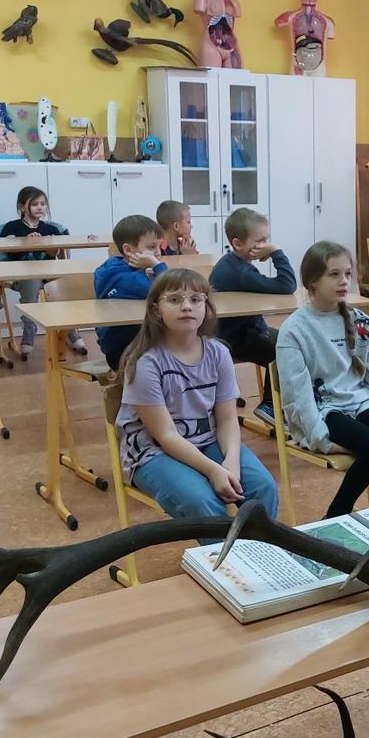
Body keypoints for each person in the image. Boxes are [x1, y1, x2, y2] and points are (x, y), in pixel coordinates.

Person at [114, 268, 278, 542]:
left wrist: (231, 461)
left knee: (263, 488)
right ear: (156, 310)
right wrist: (213, 470)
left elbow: (227, 419)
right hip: (153, 452)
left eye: (195, 299)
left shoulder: (218, 352)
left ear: (206, 307)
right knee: (203, 503)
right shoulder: (145, 362)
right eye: (174, 300)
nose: (187, 306)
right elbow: (166, 435)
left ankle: (258, 557)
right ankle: (221, 564)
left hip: (206, 439)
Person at [277, 241, 369, 521]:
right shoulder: (294, 329)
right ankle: (334, 517)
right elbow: (297, 395)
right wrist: (319, 438)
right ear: (312, 281)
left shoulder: (360, 321)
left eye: (347, 274)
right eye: (334, 274)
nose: (344, 281)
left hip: (360, 402)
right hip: (325, 410)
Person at [209, 207, 296, 425]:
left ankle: (284, 403)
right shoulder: (241, 272)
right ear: (238, 244)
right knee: (285, 351)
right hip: (233, 339)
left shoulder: (233, 263)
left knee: (294, 341)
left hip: (245, 331)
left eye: (268, 240)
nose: (266, 245)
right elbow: (287, 285)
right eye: (260, 241)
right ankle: (270, 405)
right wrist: (276, 252)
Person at [0, 186, 87, 356]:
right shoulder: (12, 227)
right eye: (34, 204)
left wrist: (48, 246)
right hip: (22, 274)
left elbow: (55, 255)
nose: (40, 207)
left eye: (43, 204)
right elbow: (6, 250)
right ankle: (29, 329)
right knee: (32, 282)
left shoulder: (51, 229)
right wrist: (26, 243)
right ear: (22, 207)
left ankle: (69, 329)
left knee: (66, 282)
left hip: (48, 272)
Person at [95, 214, 169, 372]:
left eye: (159, 246)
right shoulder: (125, 279)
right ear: (128, 250)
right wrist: (157, 266)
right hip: (125, 352)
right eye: (152, 247)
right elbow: (170, 288)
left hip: (129, 346)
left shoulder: (115, 266)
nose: (158, 253)